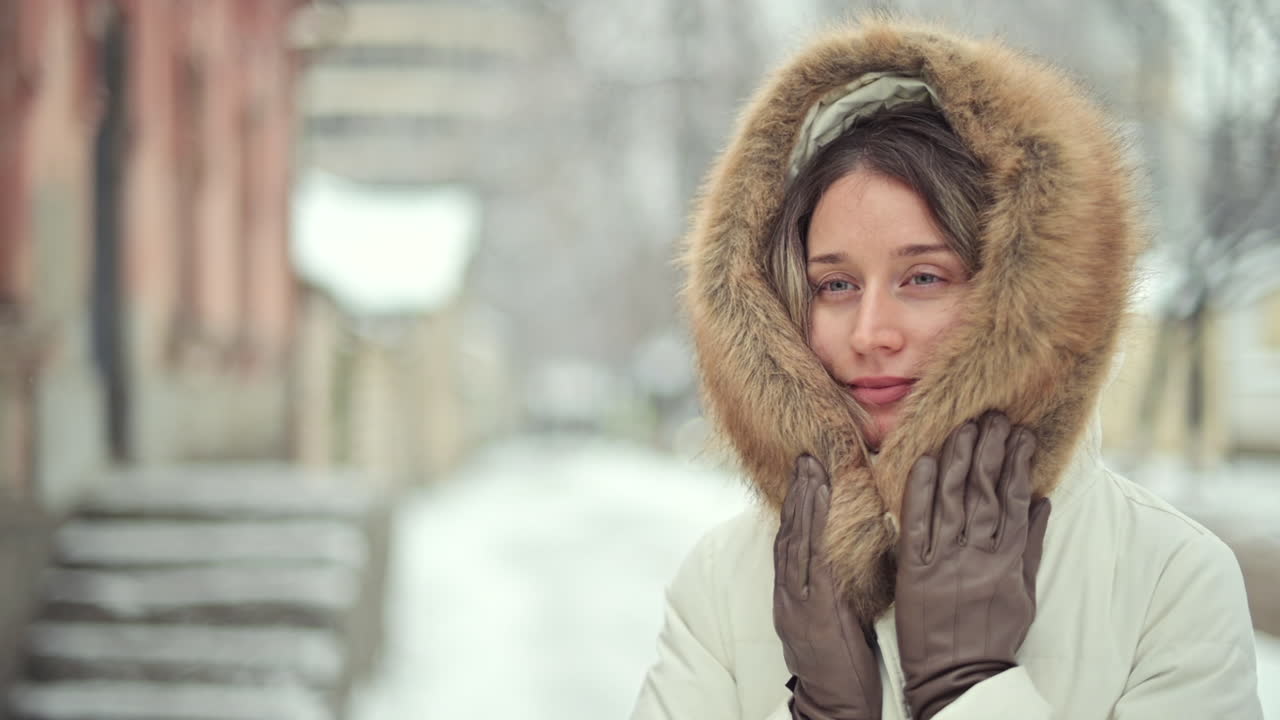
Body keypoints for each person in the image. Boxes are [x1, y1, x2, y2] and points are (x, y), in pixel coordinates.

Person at [629, 17, 1262, 720]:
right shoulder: (724, 581)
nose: (871, 333)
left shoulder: (1169, 579)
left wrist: (969, 688)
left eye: (924, 277)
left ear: (1022, 294)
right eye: (834, 285)